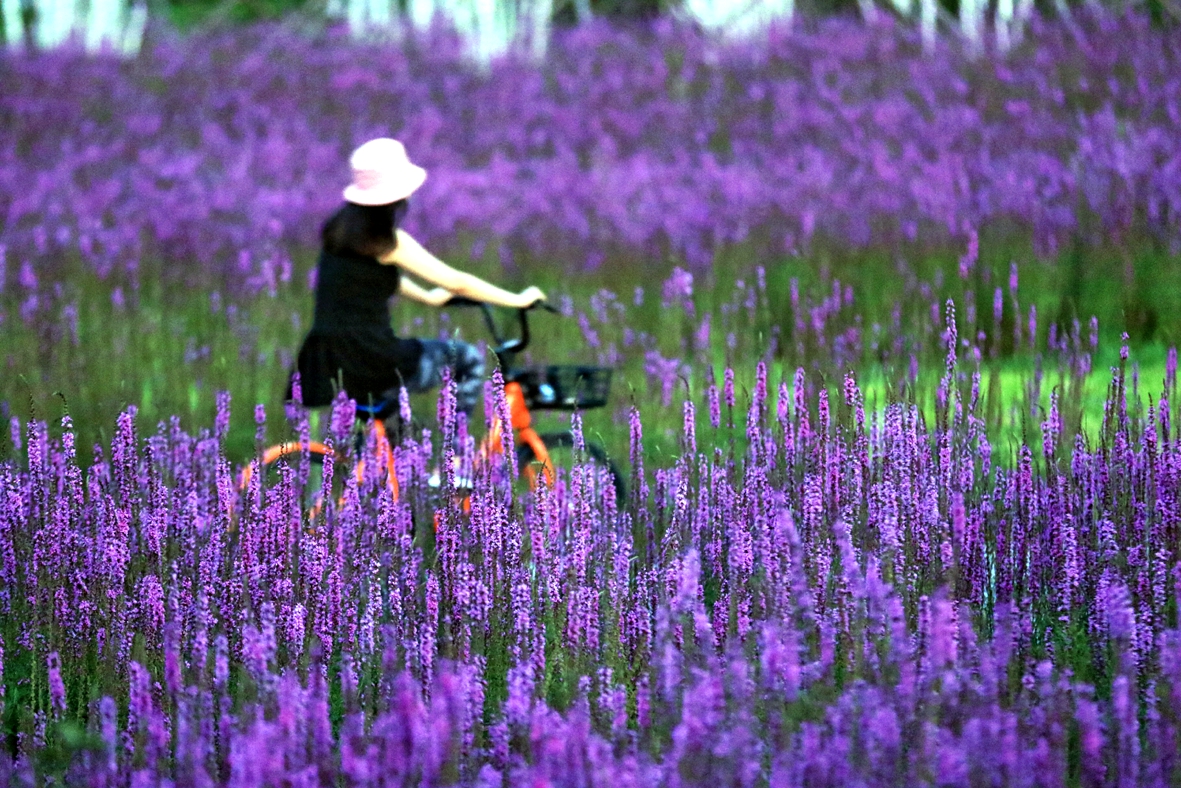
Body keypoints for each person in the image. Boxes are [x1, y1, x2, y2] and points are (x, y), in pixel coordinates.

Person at [289, 137, 545, 417]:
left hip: (327, 356)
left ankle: (377, 456)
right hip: (373, 359)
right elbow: (456, 282)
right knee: (469, 360)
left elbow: (368, 279)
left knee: (389, 427)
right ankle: (456, 454)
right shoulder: (388, 241)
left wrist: (426, 297)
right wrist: (517, 300)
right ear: (398, 195)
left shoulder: (339, 231)